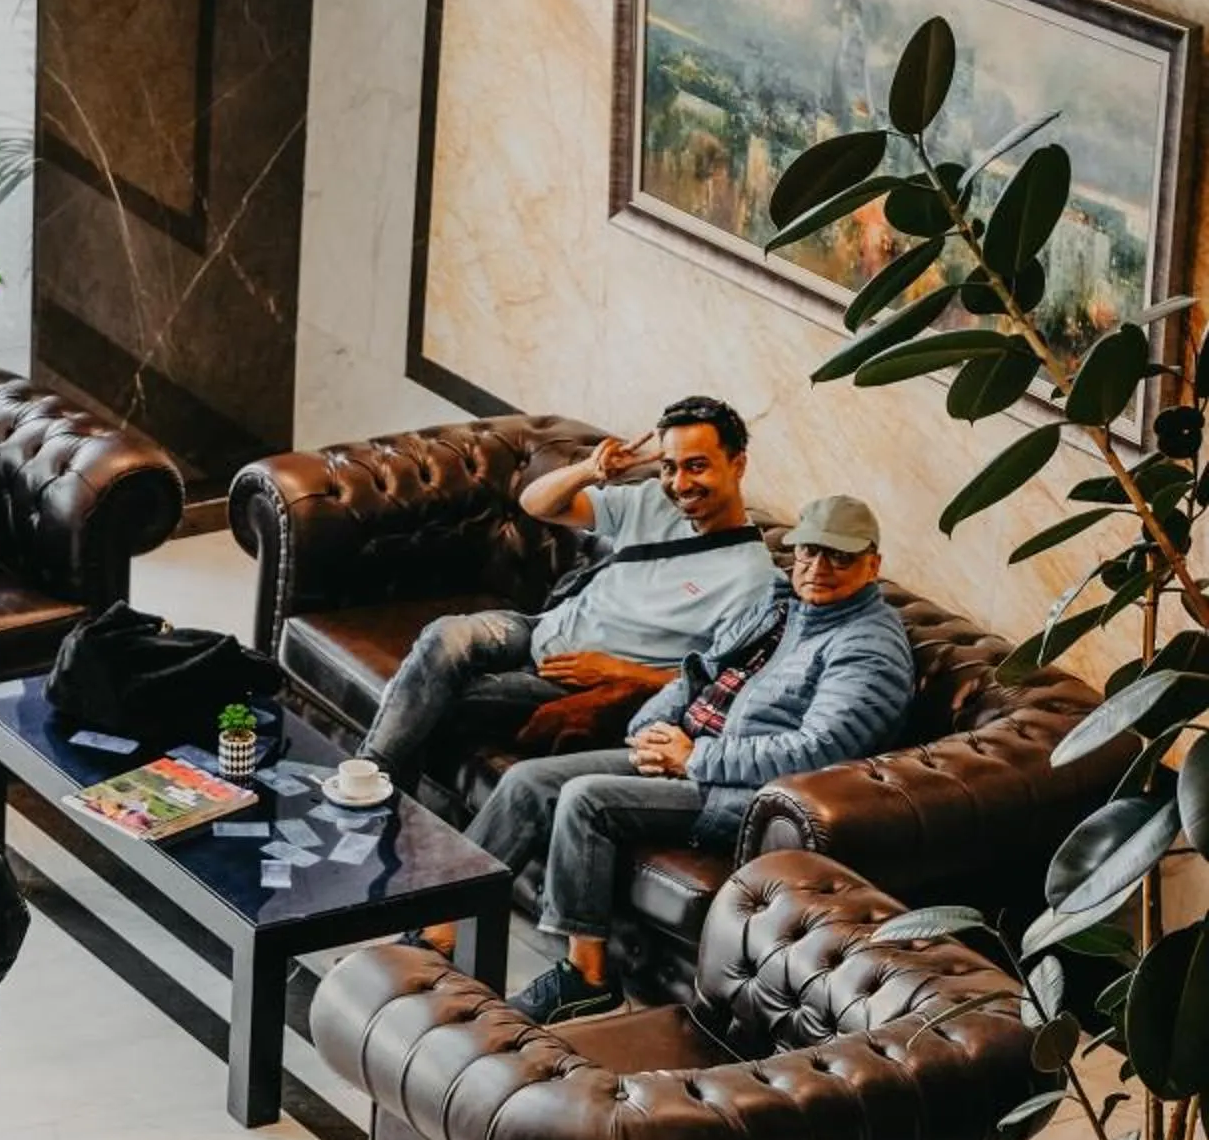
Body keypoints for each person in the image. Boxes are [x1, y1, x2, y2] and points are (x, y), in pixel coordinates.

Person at [461, 495, 915, 1024]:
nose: (817, 568)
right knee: (525, 781)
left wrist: (697, 757)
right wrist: (652, 728)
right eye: (809, 552)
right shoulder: (779, 603)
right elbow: (695, 672)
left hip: (742, 794)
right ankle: (443, 923)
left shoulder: (868, 648)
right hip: (685, 752)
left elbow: (817, 752)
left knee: (587, 800)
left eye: (839, 557)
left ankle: (585, 978)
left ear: (873, 565)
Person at [358, 395, 776, 777]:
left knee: (437, 698)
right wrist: (589, 471)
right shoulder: (652, 500)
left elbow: (720, 685)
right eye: (670, 466)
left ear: (738, 464)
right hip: (539, 630)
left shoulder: (752, 579)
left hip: (573, 684)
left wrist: (620, 671)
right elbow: (536, 503)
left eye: (697, 466)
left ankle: (368, 791)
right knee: (446, 635)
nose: (680, 484)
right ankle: (369, 778)